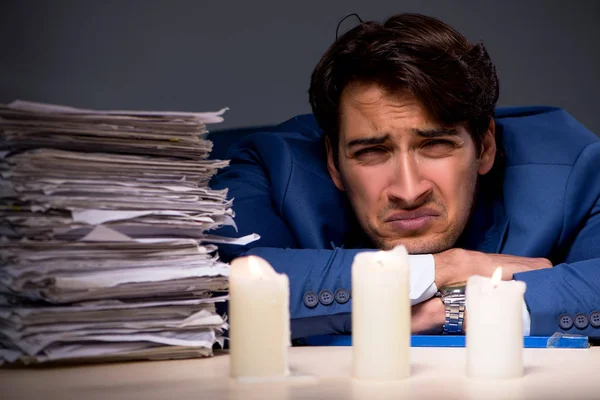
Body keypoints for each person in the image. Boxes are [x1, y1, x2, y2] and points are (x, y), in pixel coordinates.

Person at [211, 13, 600, 339]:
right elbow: (208, 286)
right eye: (372, 152)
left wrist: (454, 309)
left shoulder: (572, 168)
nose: (409, 191)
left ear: (485, 147)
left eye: (436, 146)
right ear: (332, 161)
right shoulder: (269, 164)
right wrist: (445, 268)